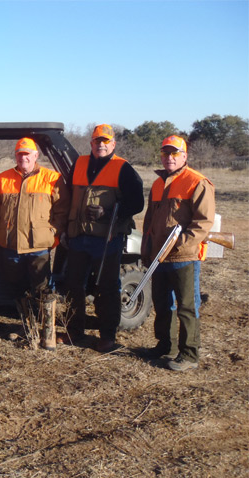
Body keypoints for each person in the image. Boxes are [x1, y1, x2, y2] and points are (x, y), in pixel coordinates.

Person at [59, 124, 144, 352]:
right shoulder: (79, 163)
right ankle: (74, 331)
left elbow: (137, 203)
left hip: (106, 239)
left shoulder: (123, 168)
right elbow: (68, 196)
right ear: (91, 143)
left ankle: (107, 335)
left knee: (106, 287)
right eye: (98, 141)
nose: (101, 145)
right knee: (73, 285)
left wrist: (107, 213)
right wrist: (65, 228)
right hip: (79, 237)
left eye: (106, 141)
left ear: (113, 144)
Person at [142, 135, 215, 371]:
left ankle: (190, 354)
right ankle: (166, 346)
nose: (169, 158)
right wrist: (147, 248)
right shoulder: (157, 184)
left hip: (184, 256)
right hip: (159, 256)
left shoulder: (197, 181)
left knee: (186, 306)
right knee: (162, 304)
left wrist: (181, 243)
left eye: (174, 153)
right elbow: (150, 221)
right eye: (165, 153)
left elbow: (204, 222)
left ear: (185, 156)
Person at [0, 138, 70, 326]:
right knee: (17, 288)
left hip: (38, 246)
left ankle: (47, 328)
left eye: (27, 154)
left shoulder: (52, 178)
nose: (23, 157)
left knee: (43, 289)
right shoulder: (2, 178)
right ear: (15, 155)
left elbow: (63, 210)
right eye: (19, 154)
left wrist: (52, 234)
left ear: (36, 155)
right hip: (11, 245)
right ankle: (27, 326)